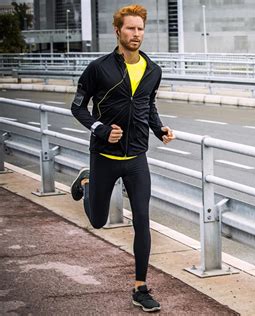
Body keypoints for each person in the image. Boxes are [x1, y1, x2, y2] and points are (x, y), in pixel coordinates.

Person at [70, 4, 174, 312]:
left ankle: (140, 288)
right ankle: (86, 180)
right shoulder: (99, 68)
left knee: (142, 220)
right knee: (99, 221)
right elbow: (78, 107)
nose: (136, 34)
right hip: (103, 156)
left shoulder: (153, 70)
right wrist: (100, 129)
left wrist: (160, 130)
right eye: (130, 28)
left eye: (140, 28)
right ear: (118, 31)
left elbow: (147, 106)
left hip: (137, 158)